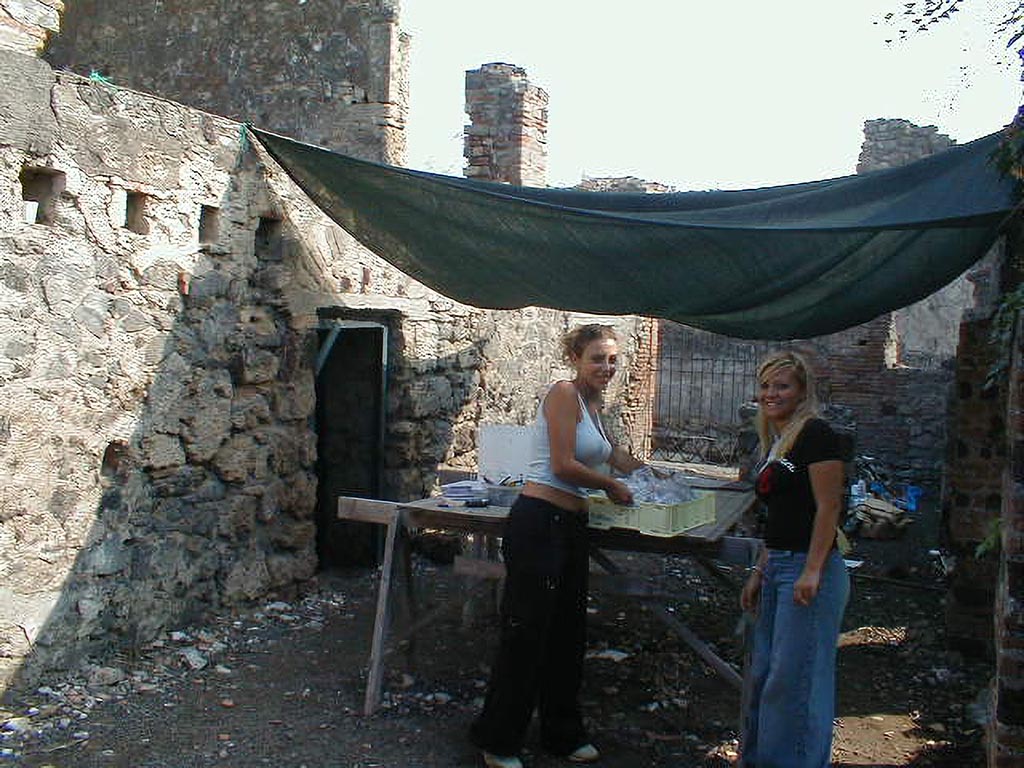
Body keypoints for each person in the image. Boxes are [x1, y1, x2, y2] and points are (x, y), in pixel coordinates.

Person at [469, 324, 645, 768]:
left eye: (612, 359)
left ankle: (562, 735)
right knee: (526, 633)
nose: (607, 367)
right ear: (575, 359)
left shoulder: (594, 405)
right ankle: (498, 740)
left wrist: (654, 475)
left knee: (568, 634)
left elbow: (612, 454)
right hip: (539, 522)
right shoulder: (564, 394)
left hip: (570, 527)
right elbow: (565, 465)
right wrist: (611, 486)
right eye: (597, 358)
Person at [739, 350, 850, 768]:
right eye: (766, 386)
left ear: (802, 391)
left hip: (808, 570)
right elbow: (782, 516)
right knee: (768, 676)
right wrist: (760, 569)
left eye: (782, 385)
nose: (771, 394)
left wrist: (813, 570)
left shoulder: (816, 434)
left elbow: (828, 508)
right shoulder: (777, 438)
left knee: (797, 682)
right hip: (779, 566)